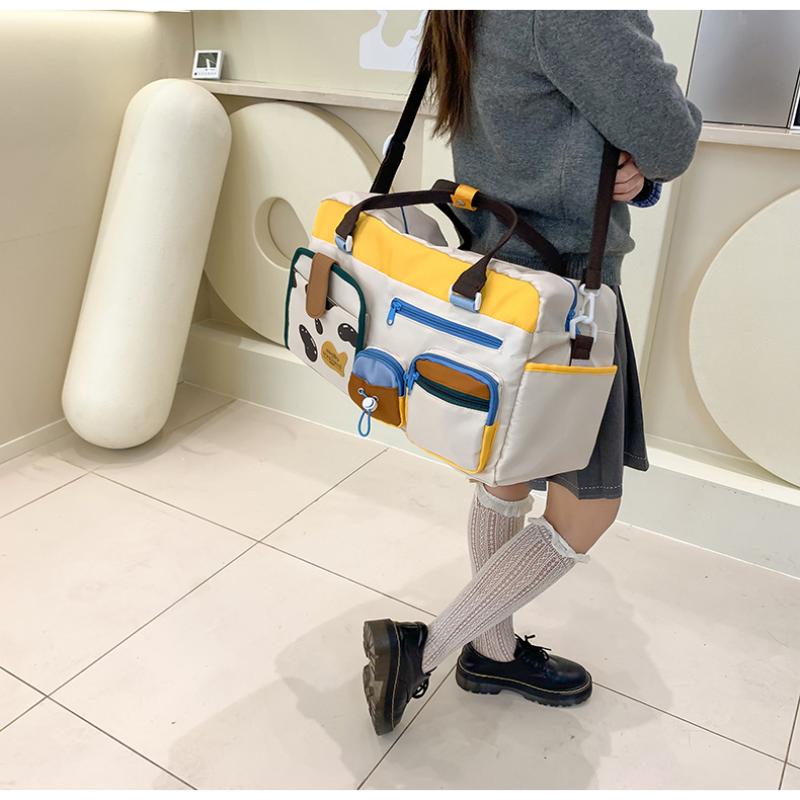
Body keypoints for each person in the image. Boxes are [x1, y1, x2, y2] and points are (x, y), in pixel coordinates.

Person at [361, 10, 703, 736]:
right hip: (565, 297)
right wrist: (644, 164)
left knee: (505, 475)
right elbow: (669, 136)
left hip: (491, 279)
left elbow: (531, 126)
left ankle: (493, 652)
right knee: (587, 509)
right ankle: (429, 647)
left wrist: (628, 170)